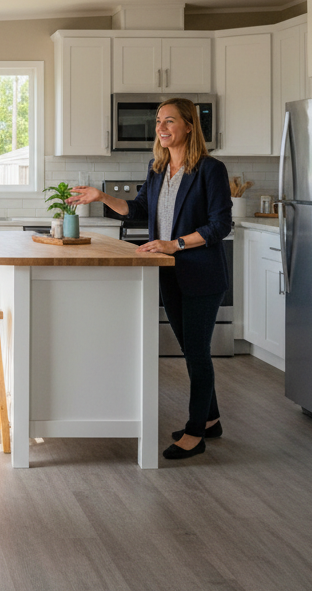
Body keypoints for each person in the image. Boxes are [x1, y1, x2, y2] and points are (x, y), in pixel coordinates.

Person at [69, 98, 232, 461]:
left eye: (170, 121)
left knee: (197, 353)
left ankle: (195, 432)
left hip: (202, 274)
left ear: (189, 126)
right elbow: (139, 209)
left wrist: (174, 244)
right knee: (192, 350)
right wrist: (101, 197)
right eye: (159, 121)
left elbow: (221, 225)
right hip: (169, 272)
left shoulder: (209, 169)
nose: (161, 127)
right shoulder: (158, 168)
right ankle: (212, 419)